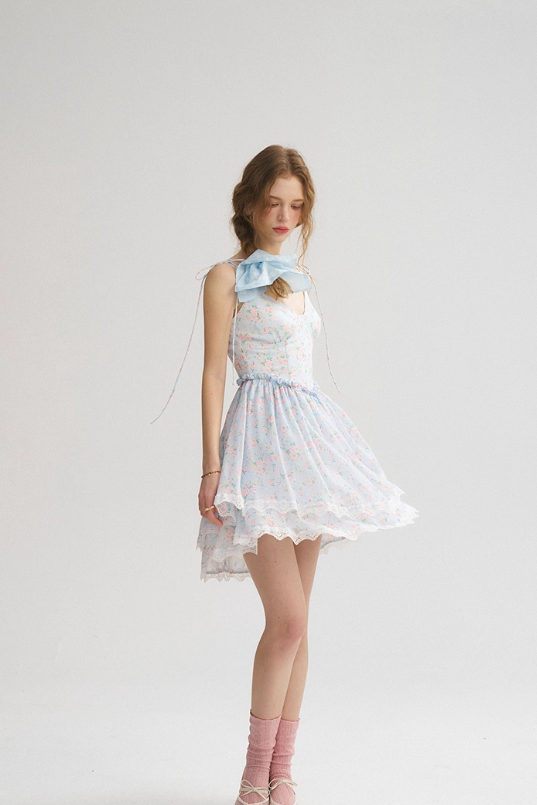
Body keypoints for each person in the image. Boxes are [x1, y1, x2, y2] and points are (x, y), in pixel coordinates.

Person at [151, 145, 419, 805]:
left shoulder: (299, 280)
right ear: (248, 203)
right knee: (288, 620)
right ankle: (252, 776)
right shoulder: (224, 277)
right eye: (273, 203)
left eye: (295, 206)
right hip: (256, 449)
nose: (283, 216)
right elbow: (214, 373)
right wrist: (210, 465)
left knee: (300, 625)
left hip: (308, 451)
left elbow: (305, 376)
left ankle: (282, 773)